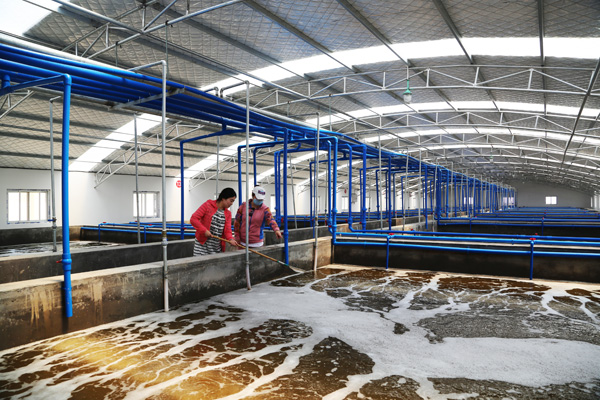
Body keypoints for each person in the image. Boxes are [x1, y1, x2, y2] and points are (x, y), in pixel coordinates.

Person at [190, 187, 237, 256]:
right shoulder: (208, 205)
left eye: (233, 201)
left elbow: (227, 230)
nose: (232, 203)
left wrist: (230, 239)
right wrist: (204, 231)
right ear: (223, 198)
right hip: (201, 247)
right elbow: (194, 219)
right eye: (231, 200)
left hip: (216, 248)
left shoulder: (228, 214)